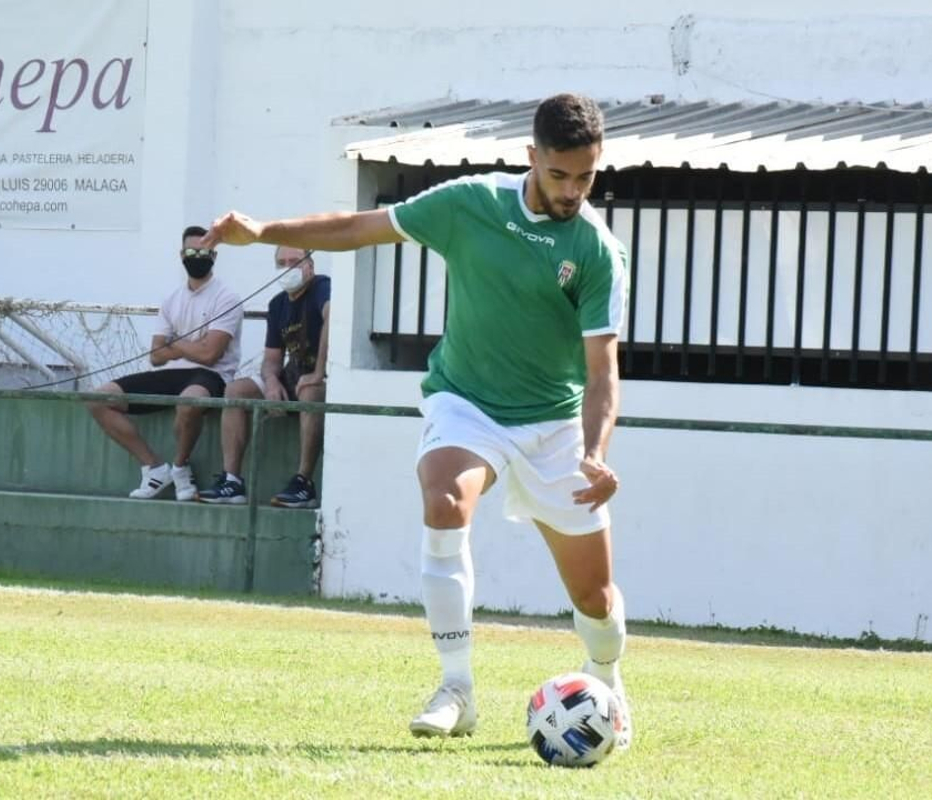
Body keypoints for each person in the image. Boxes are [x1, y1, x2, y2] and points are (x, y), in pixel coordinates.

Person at [206, 93, 631, 747]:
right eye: (559, 174)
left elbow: (601, 372)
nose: (573, 190)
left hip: (554, 426)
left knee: (596, 599)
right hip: (467, 402)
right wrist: (265, 231)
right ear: (532, 157)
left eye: (586, 177)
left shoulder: (597, 251)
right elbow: (357, 227)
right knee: (443, 500)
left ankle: (604, 679)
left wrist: (597, 451)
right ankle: (456, 688)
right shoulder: (470, 204)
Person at [86, 226, 243, 501]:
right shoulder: (171, 300)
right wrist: (191, 345)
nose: (198, 256)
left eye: (204, 251)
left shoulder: (226, 298)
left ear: (214, 255)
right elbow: (156, 356)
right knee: (98, 399)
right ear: (182, 254)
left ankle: (181, 468)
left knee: (189, 401)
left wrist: (177, 343)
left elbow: (210, 356)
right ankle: (155, 468)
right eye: (192, 251)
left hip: (211, 375)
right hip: (172, 374)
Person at [198, 246, 328, 507]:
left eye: (295, 261)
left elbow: (331, 317)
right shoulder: (277, 305)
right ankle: (232, 482)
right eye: (282, 263)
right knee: (236, 391)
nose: (288, 267)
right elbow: (271, 360)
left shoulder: (322, 287)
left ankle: (304, 483)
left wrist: (317, 372)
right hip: (291, 376)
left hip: (323, 380)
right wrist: (271, 382)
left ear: (310, 266)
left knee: (310, 392)